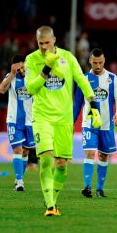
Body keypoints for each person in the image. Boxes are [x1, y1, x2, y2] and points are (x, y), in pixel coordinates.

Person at [25, 26, 101, 217]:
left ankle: (52, 197)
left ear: (54, 40)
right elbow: (31, 88)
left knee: (61, 166)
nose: (43, 47)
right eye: (40, 43)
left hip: (64, 119)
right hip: (42, 116)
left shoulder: (67, 57)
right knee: (46, 159)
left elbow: (82, 81)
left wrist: (93, 106)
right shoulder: (31, 60)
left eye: (47, 43)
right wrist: (46, 68)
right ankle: (50, 206)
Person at [74, 48, 117, 199]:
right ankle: (87, 187)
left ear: (104, 61)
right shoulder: (83, 79)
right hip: (89, 123)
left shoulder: (112, 78)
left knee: (103, 156)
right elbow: (77, 103)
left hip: (107, 124)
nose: (97, 65)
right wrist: (71, 122)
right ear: (90, 61)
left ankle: (100, 189)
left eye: (100, 62)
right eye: (95, 62)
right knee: (89, 153)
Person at [0, 55, 34, 191]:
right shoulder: (10, 76)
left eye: (22, 67)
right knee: (18, 150)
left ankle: (19, 178)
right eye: (17, 68)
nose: (21, 70)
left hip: (30, 121)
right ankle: (19, 182)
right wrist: (12, 74)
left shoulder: (33, 77)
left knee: (25, 152)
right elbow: (1, 90)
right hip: (14, 120)